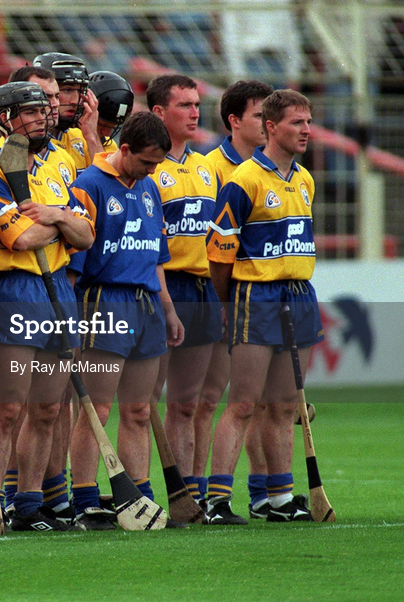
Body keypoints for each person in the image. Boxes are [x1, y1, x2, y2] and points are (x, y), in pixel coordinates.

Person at [0, 81, 93, 532]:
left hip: (58, 286)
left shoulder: (62, 160)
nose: (42, 116)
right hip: (17, 290)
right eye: (30, 111)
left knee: (48, 407)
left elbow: (87, 235)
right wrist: (64, 225)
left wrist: (58, 217)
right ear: (6, 118)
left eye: (44, 109)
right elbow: (17, 238)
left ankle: (27, 505)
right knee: (7, 409)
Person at [205, 89, 320, 522]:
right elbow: (219, 253)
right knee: (244, 403)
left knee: (284, 406)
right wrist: (225, 300)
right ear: (271, 127)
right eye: (296, 122)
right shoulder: (244, 181)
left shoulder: (305, 180)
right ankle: (217, 500)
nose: (306, 130)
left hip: (299, 296)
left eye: (308, 122)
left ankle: (279, 500)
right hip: (256, 296)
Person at [67, 111, 184, 530]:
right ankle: (84, 499)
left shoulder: (150, 187)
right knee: (95, 408)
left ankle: (140, 500)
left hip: (146, 306)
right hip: (104, 302)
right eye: (146, 162)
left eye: (157, 164)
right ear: (125, 149)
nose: (151, 170)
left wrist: (168, 310)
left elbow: (156, 260)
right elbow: (74, 263)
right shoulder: (89, 185)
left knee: (138, 409)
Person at [145, 74, 227, 514]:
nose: (195, 113)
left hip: (201, 287)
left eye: (197, 105)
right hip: (162, 288)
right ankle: (145, 493)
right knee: (147, 400)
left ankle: (189, 497)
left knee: (188, 403)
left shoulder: (206, 166)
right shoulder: (148, 167)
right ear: (158, 112)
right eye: (185, 106)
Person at [202, 79, 278, 523]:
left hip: (262, 295)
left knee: (264, 401)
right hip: (222, 293)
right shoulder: (212, 167)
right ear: (234, 121)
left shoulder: (277, 168)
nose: (266, 124)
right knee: (216, 398)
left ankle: (265, 493)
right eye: (257, 117)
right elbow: (217, 242)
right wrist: (222, 301)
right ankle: (207, 495)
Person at [32, 52, 102, 173]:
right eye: (67, 90)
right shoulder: (31, 143)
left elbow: (104, 187)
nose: (76, 101)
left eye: (81, 91)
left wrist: (92, 137)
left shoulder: (82, 137)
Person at [88, 71, 135, 154]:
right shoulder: (67, 137)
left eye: (113, 127)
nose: (107, 134)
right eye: (103, 126)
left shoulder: (109, 145)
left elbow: (102, 167)